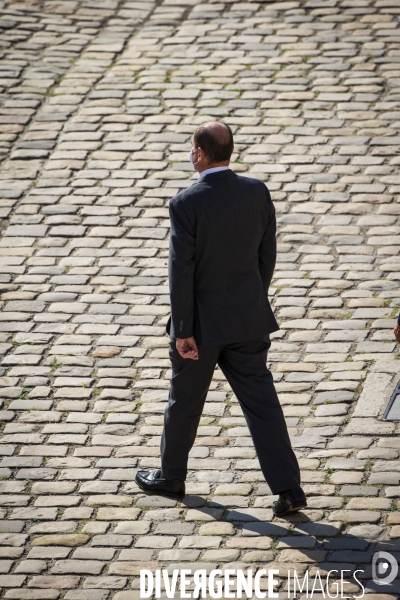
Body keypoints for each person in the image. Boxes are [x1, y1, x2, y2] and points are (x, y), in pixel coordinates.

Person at [135, 121, 306, 518]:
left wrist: (183, 331)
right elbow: (267, 254)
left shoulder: (185, 203)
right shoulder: (256, 191)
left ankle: (171, 476)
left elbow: (182, 271)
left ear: (199, 154)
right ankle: (290, 490)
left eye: (191, 148)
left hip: (202, 329)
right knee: (263, 405)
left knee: (185, 401)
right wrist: (251, 300)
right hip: (248, 321)